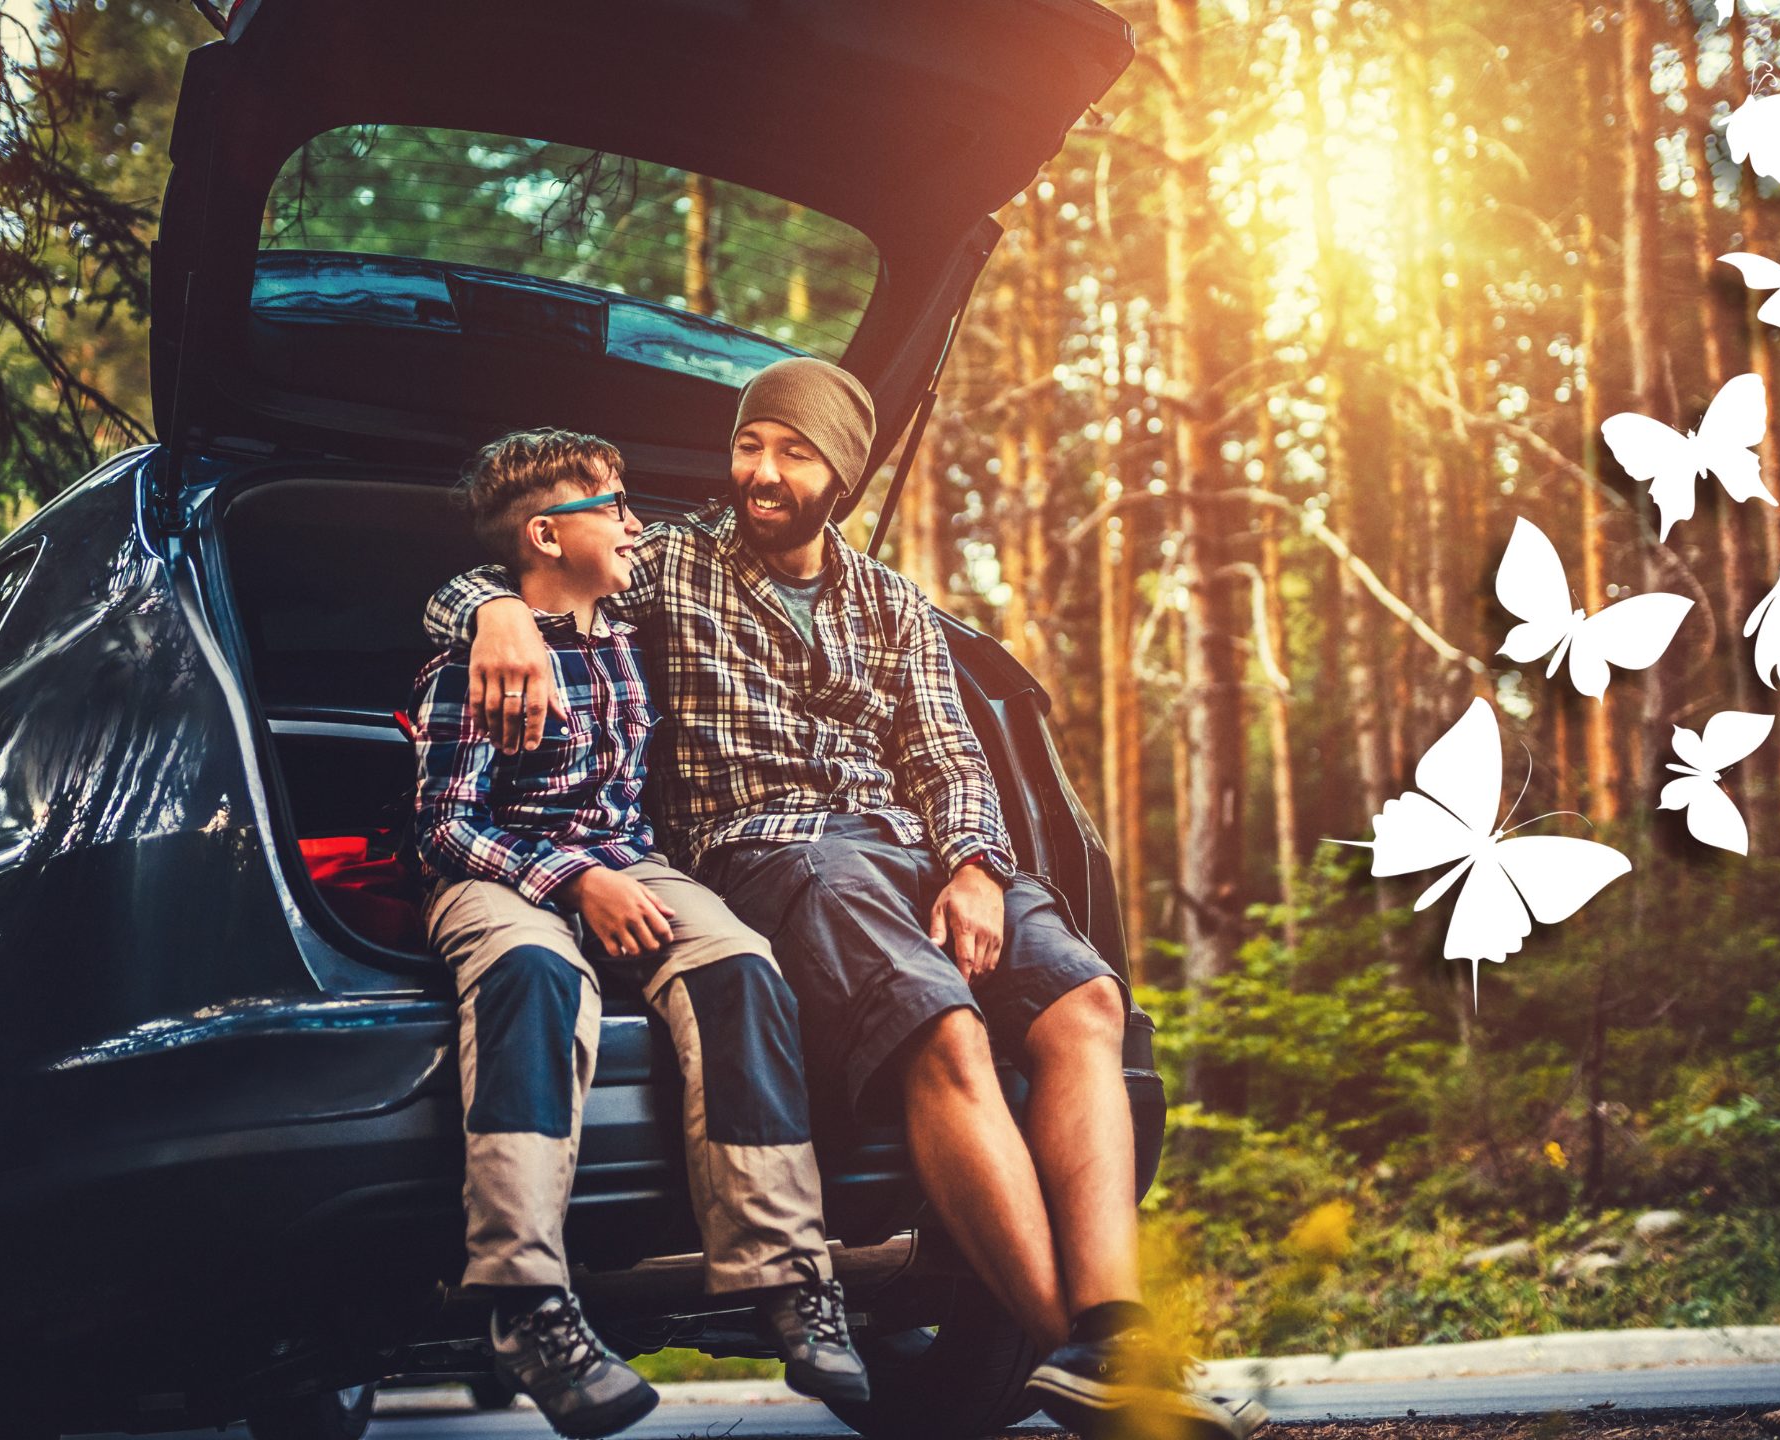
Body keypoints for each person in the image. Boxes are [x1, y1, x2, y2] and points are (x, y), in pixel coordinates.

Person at [425, 363, 1266, 1440]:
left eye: (792, 452)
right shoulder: (673, 562)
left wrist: (973, 867)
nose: (760, 473)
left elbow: (953, 759)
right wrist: (491, 610)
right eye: (749, 446)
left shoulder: (893, 602)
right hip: (774, 852)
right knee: (945, 1030)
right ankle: (1107, 1379)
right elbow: (523, 561)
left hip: (916, 852)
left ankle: (1112, 1337)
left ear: (842, 474)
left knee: (1088, 1008)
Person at [409, 428, 868, 1439]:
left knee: (743, 964)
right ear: (544, 533)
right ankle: (526, 1301)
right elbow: (445, 826)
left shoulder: (623, 620)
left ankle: (788, 1276)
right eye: (613, 507)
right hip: (499, 872)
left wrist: (617, 878)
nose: (635, 523)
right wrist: (574, 884)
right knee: (534, 972)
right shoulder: (471, 662)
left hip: (634, 862)